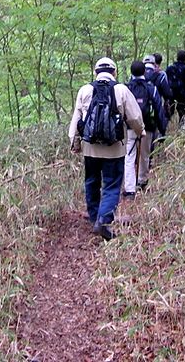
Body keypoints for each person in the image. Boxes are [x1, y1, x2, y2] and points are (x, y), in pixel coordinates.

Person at [69, 57, 144, 240]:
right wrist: (140, 132)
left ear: (95, 72)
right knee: (111, 184)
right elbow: (135, 117)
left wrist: (75, 143)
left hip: (90, 148)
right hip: (115, 148)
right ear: (114, 72)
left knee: (92, 182)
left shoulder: (85, 90)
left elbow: (76, 119)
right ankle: (104, 219)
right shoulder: (121, 90)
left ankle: (94, 217)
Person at [124, 60, 167, 196]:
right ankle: (142, 182)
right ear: (144, 72)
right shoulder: (151, 88)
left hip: (129, 127)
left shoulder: (126, 88)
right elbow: (159, 109)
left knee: (129, 156)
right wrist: (162, 130)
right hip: (147, 126)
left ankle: (129, 188)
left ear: (131, 72)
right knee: (144, 155)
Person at [166, 50, 185, 123]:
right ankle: (182, 129)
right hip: (183, 94)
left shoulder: (169, 68)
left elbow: (166, 81)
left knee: (168, 112)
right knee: (182, 113)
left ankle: (163, 129)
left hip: (170, 93)